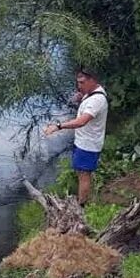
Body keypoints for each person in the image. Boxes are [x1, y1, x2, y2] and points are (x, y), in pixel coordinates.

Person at [44, 68, 108, 205]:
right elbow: (85, 103)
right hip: (82, 142)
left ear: (93, 80)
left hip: (89, 145)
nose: (79, 86)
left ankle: (82, 207)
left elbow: (82, 121)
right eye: (78, 83)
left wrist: (58, 126)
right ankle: (83, 201)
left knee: (84, 176)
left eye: (82, 83)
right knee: (81, 172)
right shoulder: (90, 93)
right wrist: (80, 98)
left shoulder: (97, 100)